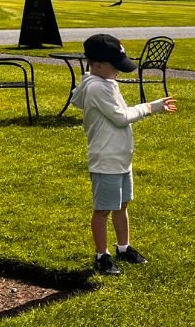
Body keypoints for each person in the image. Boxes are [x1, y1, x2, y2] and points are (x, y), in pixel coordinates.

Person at [69, 34, 177, 275]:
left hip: (120, 157)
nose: (118, 71)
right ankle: (102, 255)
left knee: (121, 204)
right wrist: (151, 107)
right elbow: (121, 117)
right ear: (96, 64)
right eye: (114, 66)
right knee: (103, 208)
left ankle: (123, 247)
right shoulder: (96, 86)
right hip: (105, 159)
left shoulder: (106, 82)